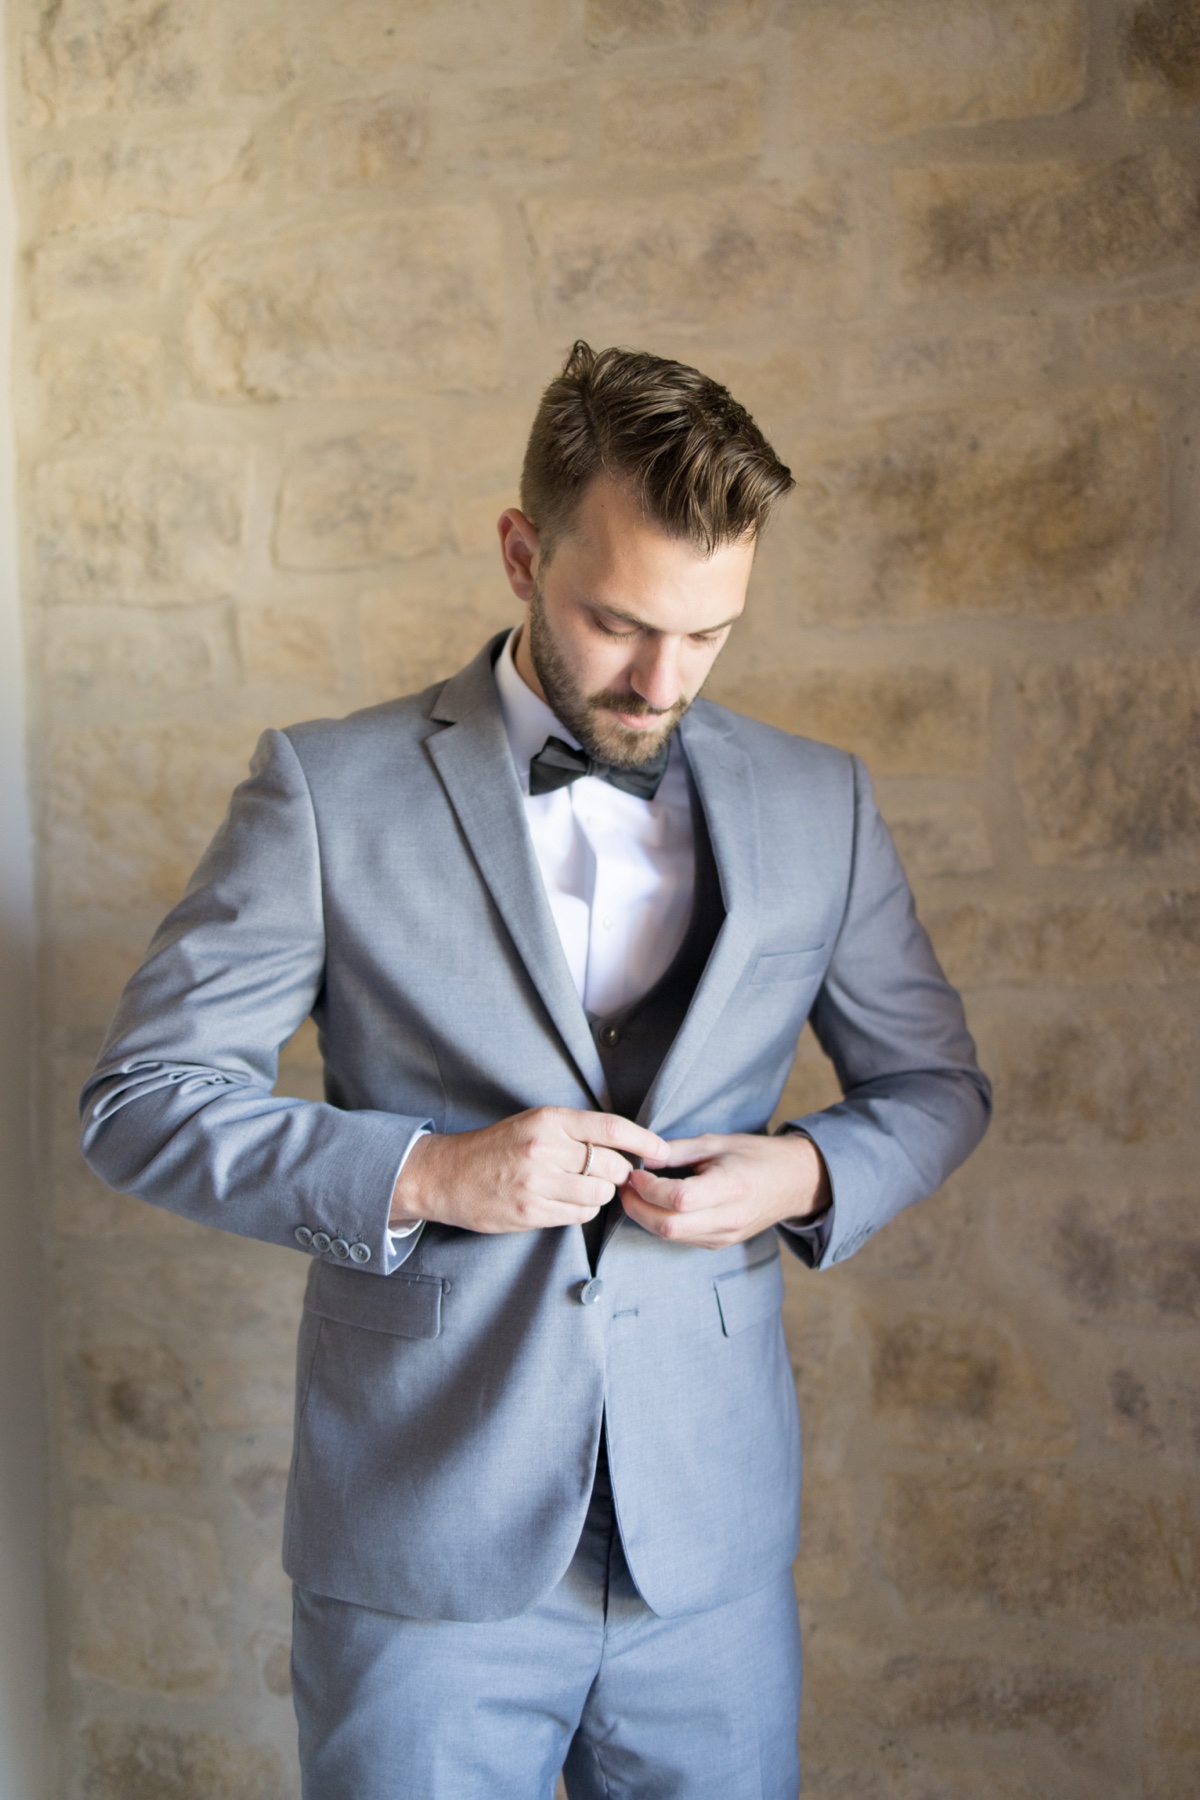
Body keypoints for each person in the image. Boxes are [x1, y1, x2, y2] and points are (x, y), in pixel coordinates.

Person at [81, 342, 991, 1800]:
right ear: (521, 552)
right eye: (622, 623)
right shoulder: (327, 789)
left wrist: (804, 1172)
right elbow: (141, 1103)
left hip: (711, 1561)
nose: (662, 679)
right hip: (425, 1553)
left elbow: (937, 1086)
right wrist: (429, 1171)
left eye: (709, 635)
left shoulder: (823, 802)